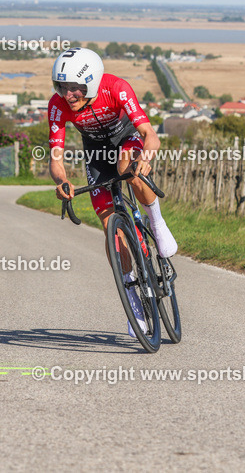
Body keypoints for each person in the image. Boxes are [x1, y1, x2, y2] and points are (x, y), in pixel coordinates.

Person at [47, 46, 178, 336]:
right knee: (109, 225)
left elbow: (151, 136)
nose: (68, 95)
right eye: (61, 87)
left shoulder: (116, 87)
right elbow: (55, 157)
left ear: (92, 82)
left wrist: (145, 157)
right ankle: (133, 301)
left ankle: (156, 223)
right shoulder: (57, 105)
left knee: (125, 170)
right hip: (96, 155)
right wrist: (61, 181)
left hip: (127, 138)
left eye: (75, 88)